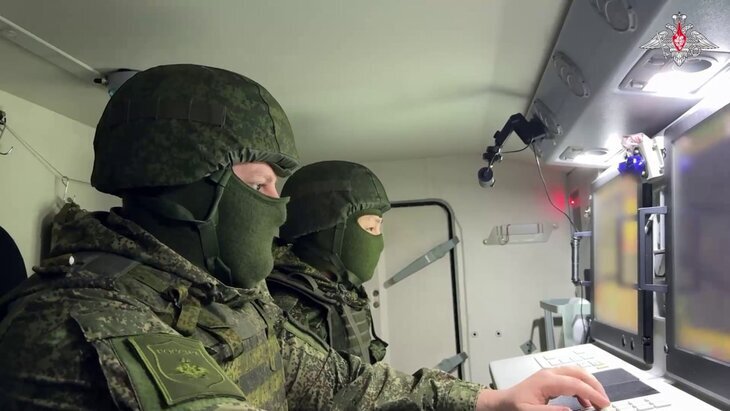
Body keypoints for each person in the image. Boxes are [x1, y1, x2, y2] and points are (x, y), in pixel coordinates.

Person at [0, 64, 610, 411]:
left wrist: (488, 401)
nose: (278, 212)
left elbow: (336, 381)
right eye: (260, 185)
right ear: (183, 188)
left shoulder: (227, 298)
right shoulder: (84, 325)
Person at [268, 161, 390, 364]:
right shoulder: (285, 309)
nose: (380, 242)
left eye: (379, 228)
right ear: (326, 233)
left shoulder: (346, 293)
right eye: (370, 228)